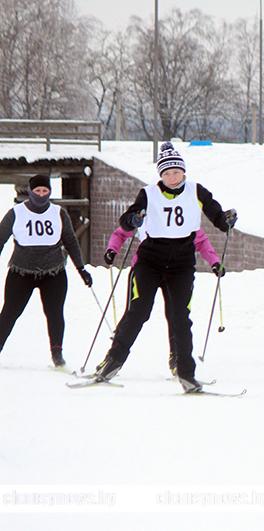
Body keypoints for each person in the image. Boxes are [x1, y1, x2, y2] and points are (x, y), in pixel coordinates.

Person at [91, 142, 236, 392]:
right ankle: (112, 361)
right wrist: (133, 219)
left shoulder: (196, 191)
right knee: (138, 311)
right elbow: (127, 220)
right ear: (160, 175)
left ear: (183, 172)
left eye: (176, 172)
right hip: (150, 261)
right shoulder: (148, 193)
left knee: (181, 317)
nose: (172, 177)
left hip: (181, 265)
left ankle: (187, 374)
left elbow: (218, 219)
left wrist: (227, 219)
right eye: (167, 173)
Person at [0, 174, 92, 368]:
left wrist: (81, 268)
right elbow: (1, 238)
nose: (41, 194)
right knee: (9, 312)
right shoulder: (16, 213)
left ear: (50, 191)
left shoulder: (58, 212)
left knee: (55, 313)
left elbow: (70, 241)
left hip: (54, 271)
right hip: (21, 271)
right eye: (37, 191)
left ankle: (57, 354)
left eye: (45, 191)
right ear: (30, 191)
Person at [105, 225, 222, 375]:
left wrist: (214, 262)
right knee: (135, 313)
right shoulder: (147, 209)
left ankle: (176, 358)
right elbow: (121, 233)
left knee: (176, 315)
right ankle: (112, 358)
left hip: (173, 271)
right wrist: (111, 250)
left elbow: (200, 240)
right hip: (145, 269)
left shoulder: (181, 213)